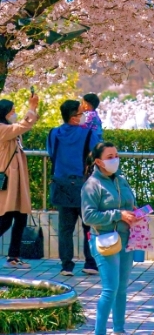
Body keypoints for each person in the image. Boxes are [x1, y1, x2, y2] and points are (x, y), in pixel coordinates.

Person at [81, 141, 139, 335]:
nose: (115, 159)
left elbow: (127, 203)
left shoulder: (120, 180)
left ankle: (119, 331)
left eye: (116, 154)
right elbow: (88, 217)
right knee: (110, 288)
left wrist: (133, 211)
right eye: (109, 156)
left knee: (122, 287)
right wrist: (118, 214)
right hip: (104, 240)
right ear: (98, 161)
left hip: (125, 239)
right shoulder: (92, 185)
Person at [47, 99, 98, 276]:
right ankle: (90, 262)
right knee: (89, 225)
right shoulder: (87, 133)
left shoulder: (54, 133)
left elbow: (51, 153)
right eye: (80, 112)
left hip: (61, 183)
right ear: (73, 117)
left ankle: (66, 266)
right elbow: (96, 148)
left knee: (65, 229)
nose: (83, 115)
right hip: (83, 185)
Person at [0, 94, 39, 269]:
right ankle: (13, 256)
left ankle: (13, 256)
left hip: (16, 180)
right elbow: (23, 125)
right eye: (12, 111)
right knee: (6, 219)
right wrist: (31, 108)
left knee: (21, 217)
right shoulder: (2, 129)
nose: (14, 114)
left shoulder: (8, 128)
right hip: (8, 181)